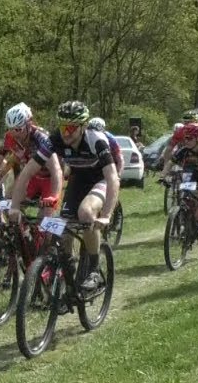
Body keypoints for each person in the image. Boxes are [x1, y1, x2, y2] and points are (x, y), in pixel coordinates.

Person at [9, 101, 118, 293]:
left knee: (85, 212)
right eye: (62, 127)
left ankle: (94, 269)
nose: (66, 132)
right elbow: (26, 173)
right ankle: (69, 274)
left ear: (83, 126)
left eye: (71, 128)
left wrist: (107, 214)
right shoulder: (55, 139)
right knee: (63, 228)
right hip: (78, 179)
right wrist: (15, 206)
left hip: (100, 179)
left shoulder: (96, 139)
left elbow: (112, 178)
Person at [0, 103, 62, 213]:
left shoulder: (41, 137)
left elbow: (56, 170)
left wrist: (54, 196)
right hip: (31, 177)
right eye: (10, 129)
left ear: (29, 124)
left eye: (18, 129)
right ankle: (22, 229)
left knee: (44, 223)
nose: (14, 133)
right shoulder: (9, 137)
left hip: (49, 178)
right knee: (7, 207)